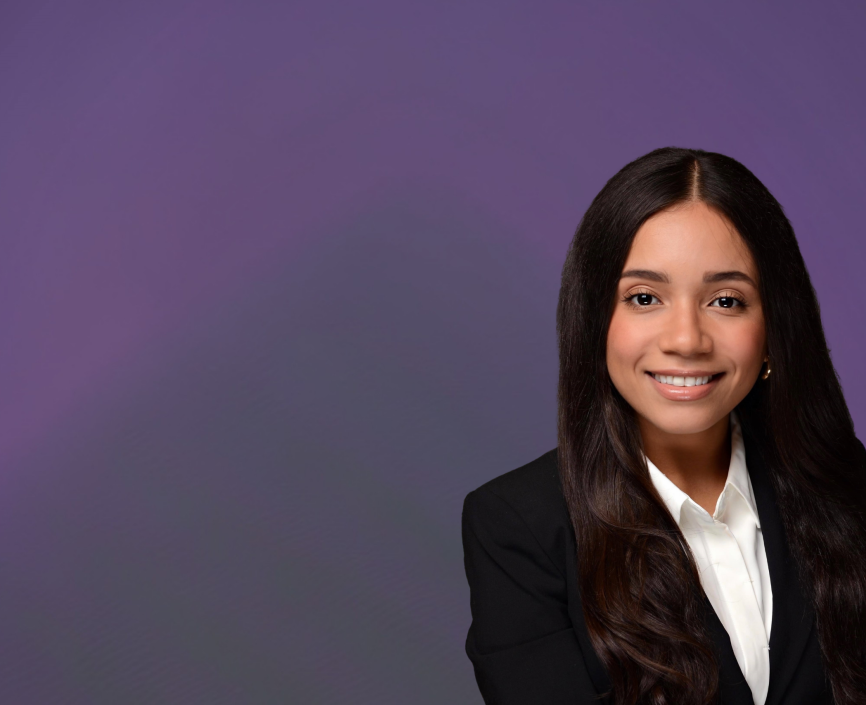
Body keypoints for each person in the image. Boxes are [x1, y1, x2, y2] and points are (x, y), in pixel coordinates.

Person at [461, 147, 866, 705]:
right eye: (644, 297)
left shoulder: (849, 491)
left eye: (726, 300)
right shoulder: (520, 528)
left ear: (774, 326)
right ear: (596, 321)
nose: (686, 339)